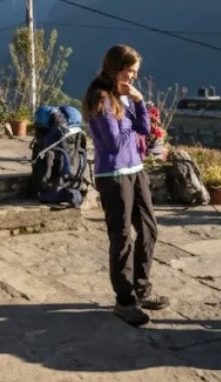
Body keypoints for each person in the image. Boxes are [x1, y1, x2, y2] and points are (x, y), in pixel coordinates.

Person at [82, 44, 170, 326]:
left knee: (148, 229)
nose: (132, 77)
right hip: (113, 175)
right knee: (121, 237)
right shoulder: (101, 99)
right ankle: (124, 300)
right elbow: (114, 142)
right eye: (129, 72)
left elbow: (144, 128)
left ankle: (141, 288)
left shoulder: (126, 96)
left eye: (135, 73)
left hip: (135, 169)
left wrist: (140, 102)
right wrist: (130, 118)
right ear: (114, 68)